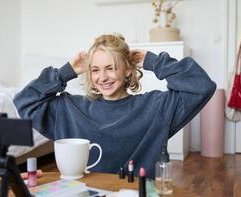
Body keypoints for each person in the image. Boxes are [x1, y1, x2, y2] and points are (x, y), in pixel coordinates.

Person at [14, 34, 216, 178]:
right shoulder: (69, 109)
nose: (102, 77)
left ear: (128, 70)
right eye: (94, 70)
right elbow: (25, 101)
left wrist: (154, 62)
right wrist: (64, 72)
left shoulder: (156, 107)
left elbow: (202, 87)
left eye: (110, 68)